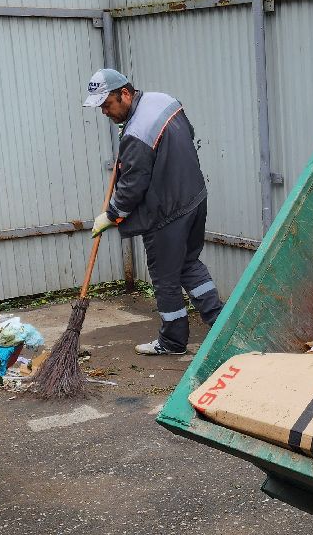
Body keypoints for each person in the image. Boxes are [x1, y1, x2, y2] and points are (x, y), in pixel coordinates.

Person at [83, 68, 223, 355]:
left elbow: (133, 185)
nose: (104, 113)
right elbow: (187, 135)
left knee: (165, 279)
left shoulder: (135, 133)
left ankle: (172, 342)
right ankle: (221, 324)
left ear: (124, 93)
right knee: (189, 264)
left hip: (166, 214)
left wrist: (110, 215)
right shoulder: (164, 101)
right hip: (195, 198)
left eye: (107, 105)